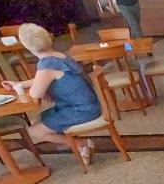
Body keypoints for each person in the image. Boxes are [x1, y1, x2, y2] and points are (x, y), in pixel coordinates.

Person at [10, 23, 102, 166]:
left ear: (26, 46)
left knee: (34, 131)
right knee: (35, 121)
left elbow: (35, 93)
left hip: (81, 110)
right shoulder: (58, 55)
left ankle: (80, 143)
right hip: (86, 104)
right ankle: (72, 142)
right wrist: (19, 84)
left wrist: (34, 88)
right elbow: (43, 79)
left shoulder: (46, 63)